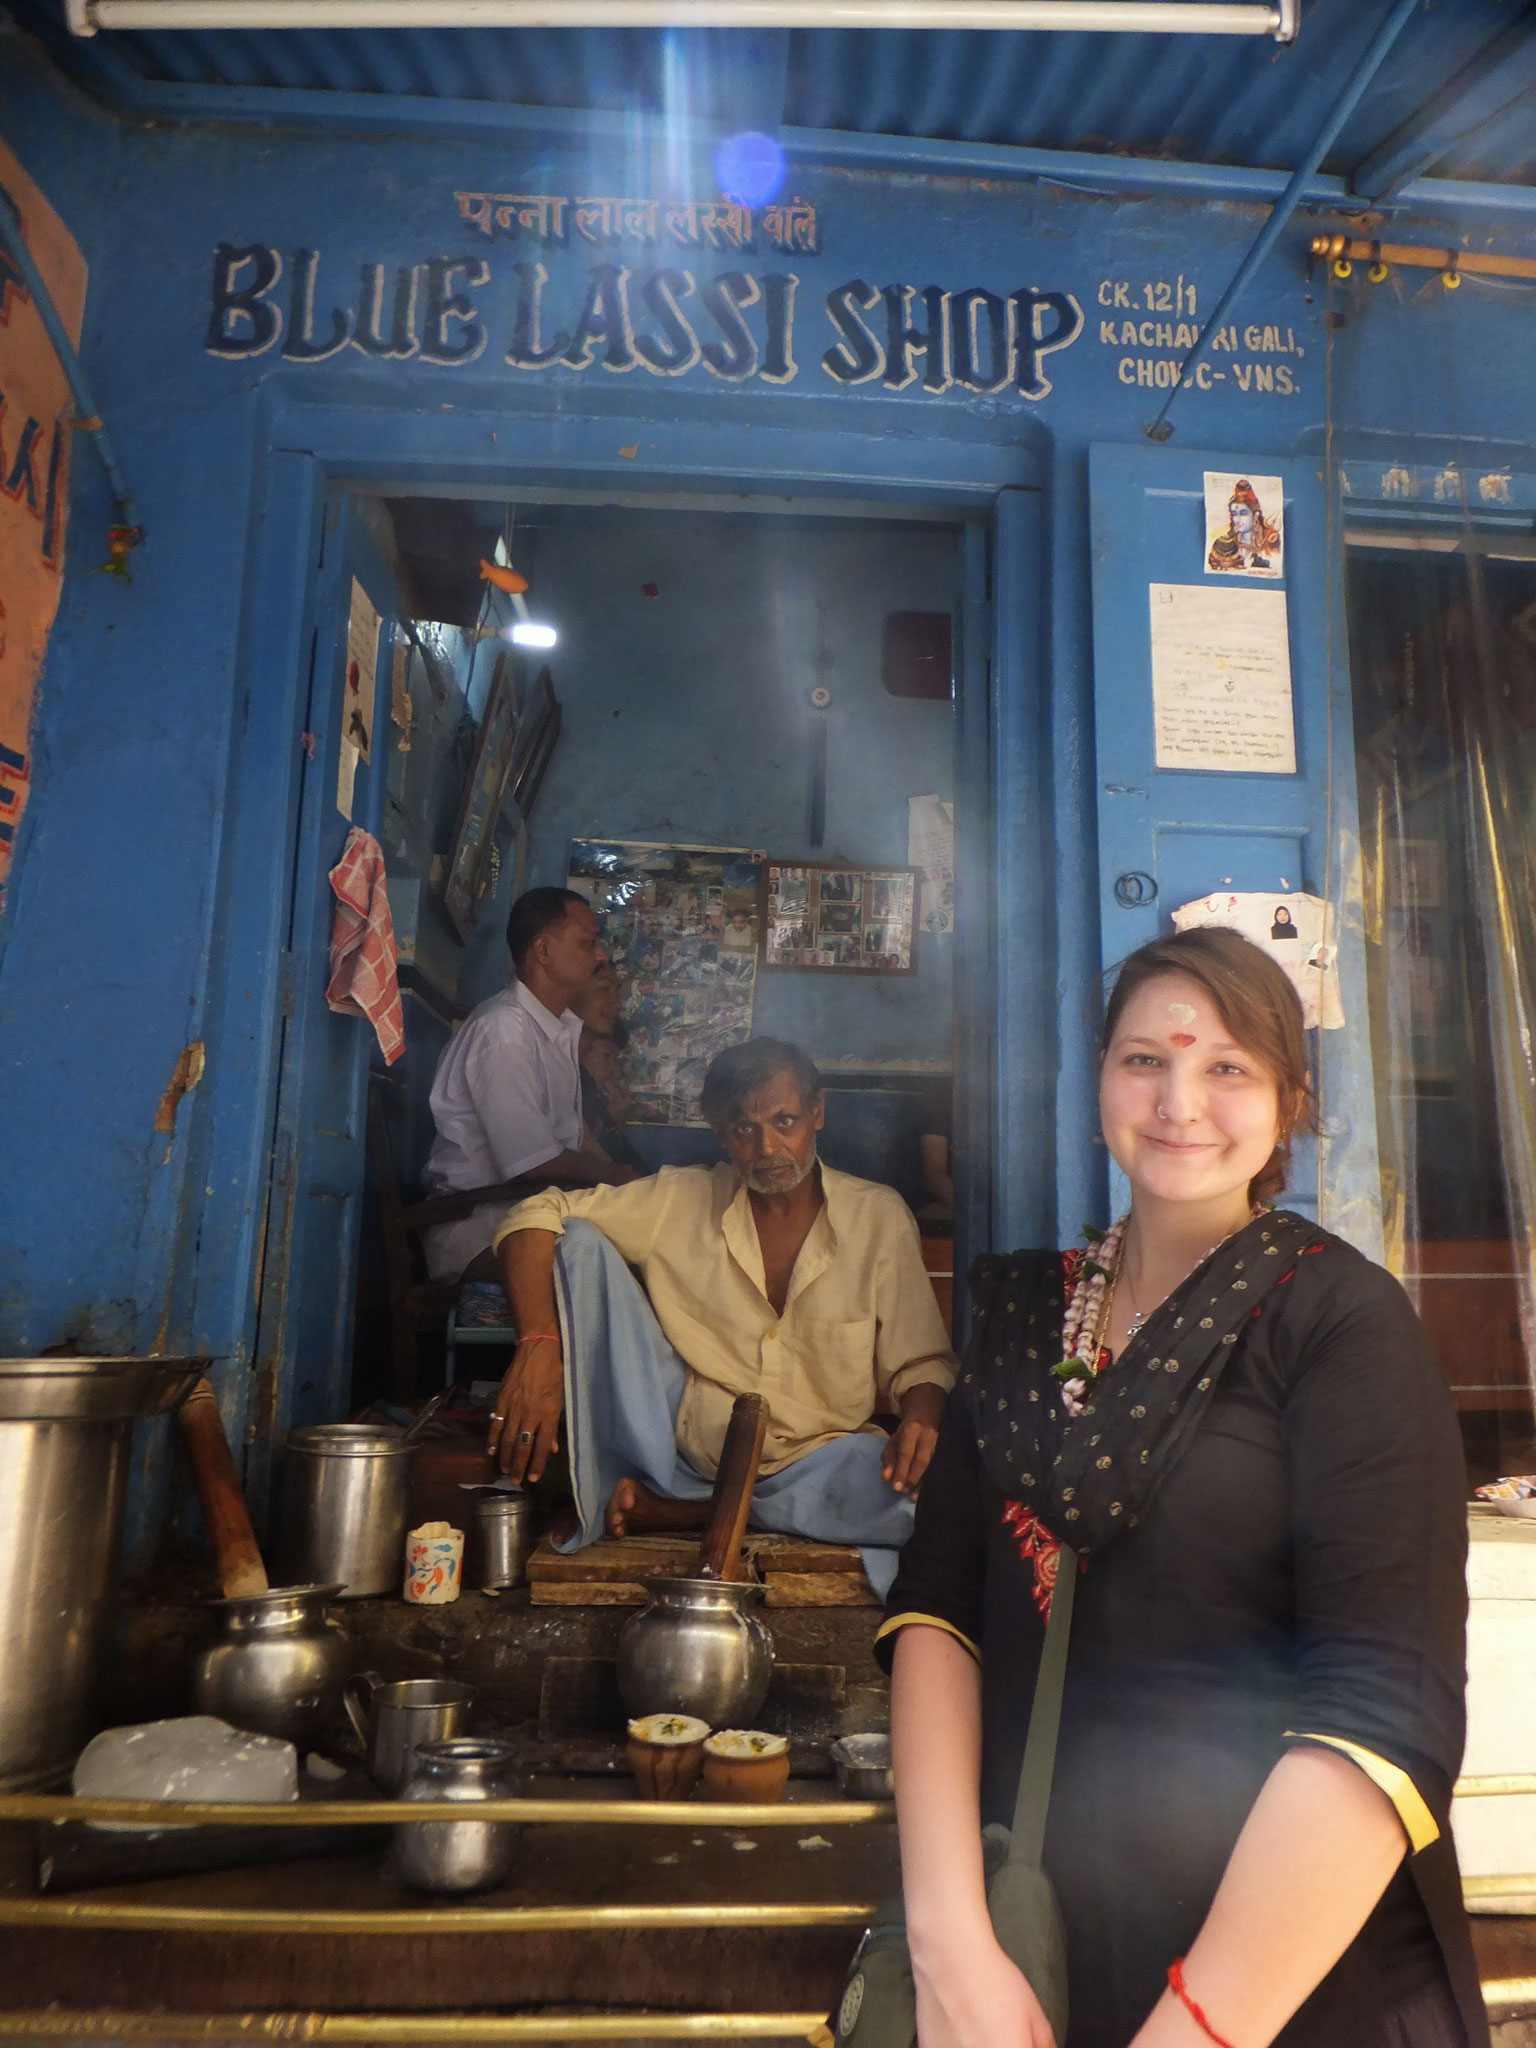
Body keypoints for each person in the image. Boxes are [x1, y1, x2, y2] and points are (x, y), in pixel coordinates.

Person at [882, 927, 1484, 2048]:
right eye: (1145, 1058)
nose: (1179, 1101)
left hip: (1286, 1977)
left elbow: (1382, 1707)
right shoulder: (1023, 1315)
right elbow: (939, 1610)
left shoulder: (1340, 1326)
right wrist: (949, 1936)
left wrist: (1199, 2027)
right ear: (1098, 1075)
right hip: (1034, 1951)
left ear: (1289, 1102)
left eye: (1227, 1068)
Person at [485, 1036, 958, 1596]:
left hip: (820, 1460)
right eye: (745, 1130)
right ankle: (707, 1501)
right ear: (719, 1133)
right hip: (685, 1449)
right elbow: (536, 1212)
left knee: (939, 1509)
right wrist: (539, 1344)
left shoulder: (878, 1215)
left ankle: (694, 1513)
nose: (768, 1148)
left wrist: (922, 1426)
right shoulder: (680, 1198)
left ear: (818, 1114)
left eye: (785, 1121)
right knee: (579, 1241)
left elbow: (921, 1361)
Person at [421, 888, 637, 1283]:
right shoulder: (503, 1031)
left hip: (530, 1220)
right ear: (543, 951)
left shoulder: (557, 1033)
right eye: (588, 943)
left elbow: (569, 1142)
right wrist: (615, 1176)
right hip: (484, 1235)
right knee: (622, 1264)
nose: (601, 955)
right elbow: (534, 1164)